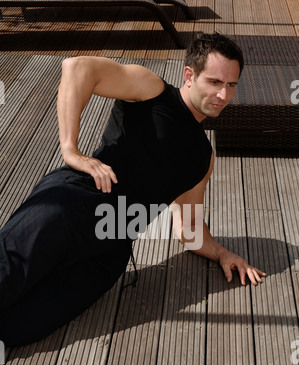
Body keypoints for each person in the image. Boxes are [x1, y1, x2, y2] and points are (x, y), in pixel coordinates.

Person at [0, 33, 266, 346]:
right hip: (71, 207)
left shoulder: (201, 159)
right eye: (214, 81)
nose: (223, 94)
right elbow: (78, 68)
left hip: (106, 254)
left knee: (21, 327)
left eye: (231, 85)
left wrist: (223, 253)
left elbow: (190, 229)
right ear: (189, 75)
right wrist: (70, 149)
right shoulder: (152, 89)